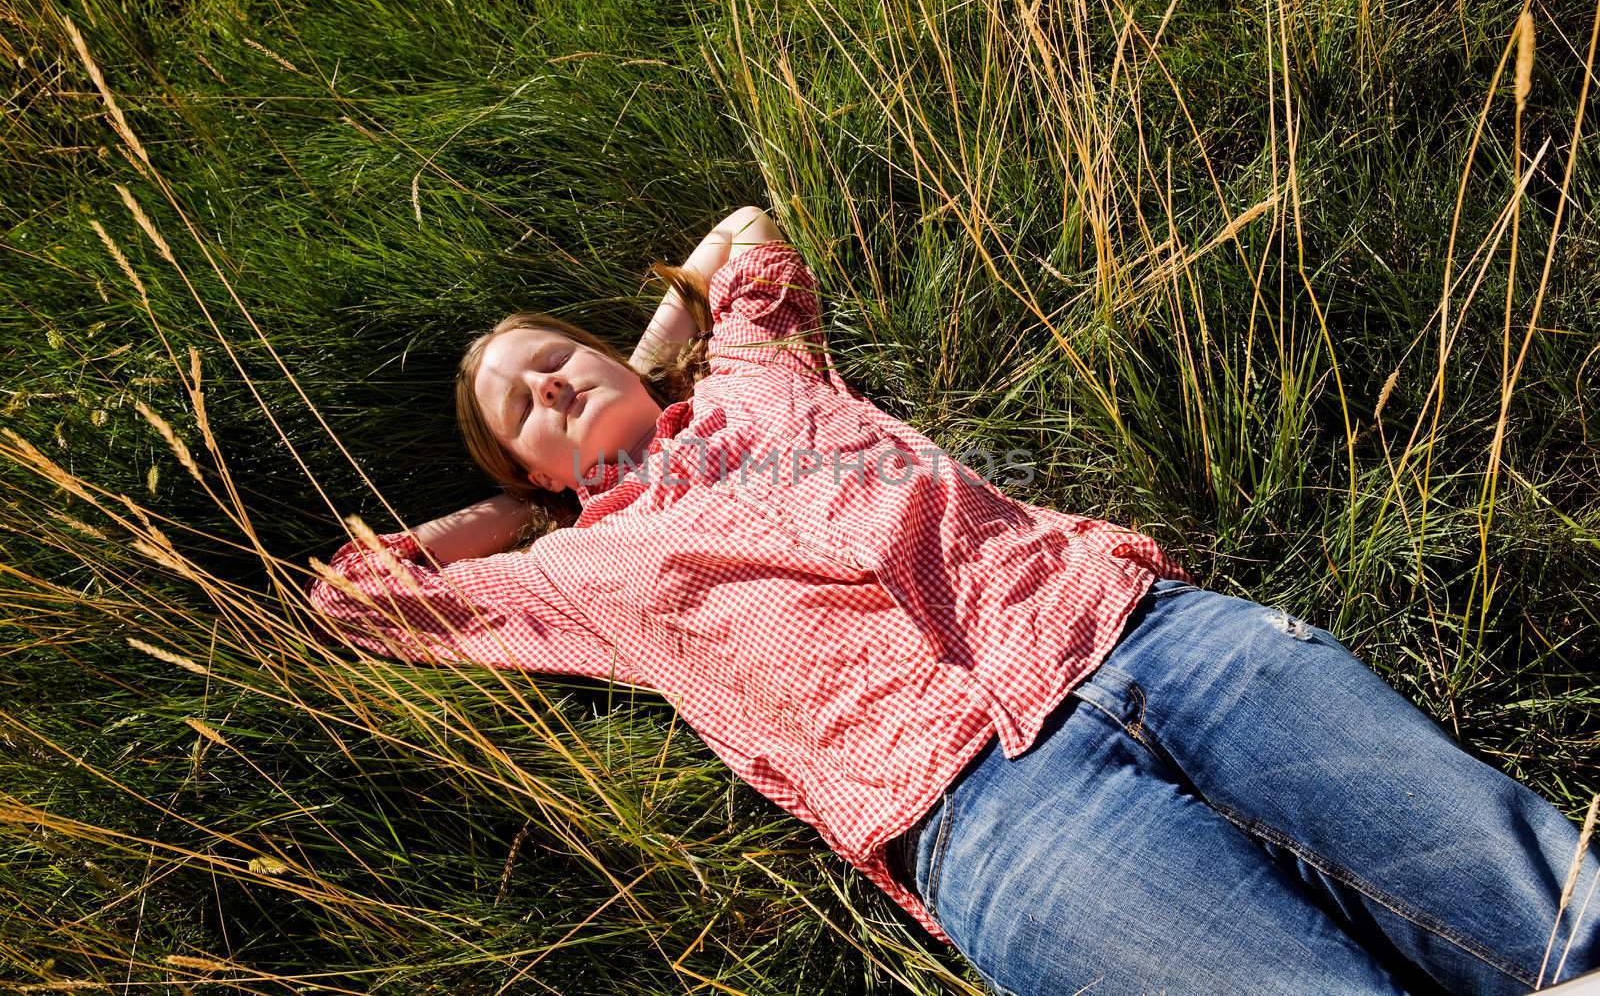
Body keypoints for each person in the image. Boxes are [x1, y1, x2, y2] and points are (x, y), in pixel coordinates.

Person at [307, 206, 1600, 995]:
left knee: (1557, 919)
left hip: (1138, 636)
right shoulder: (567, 577)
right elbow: (358, 602)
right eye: (516, 409)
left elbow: (746, 238)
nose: (545, 386)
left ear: (616, 348)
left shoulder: (761, 370)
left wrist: (650, 363)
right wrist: (527, 510)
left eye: (554, 358)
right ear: (525, 472)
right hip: (980, 812)